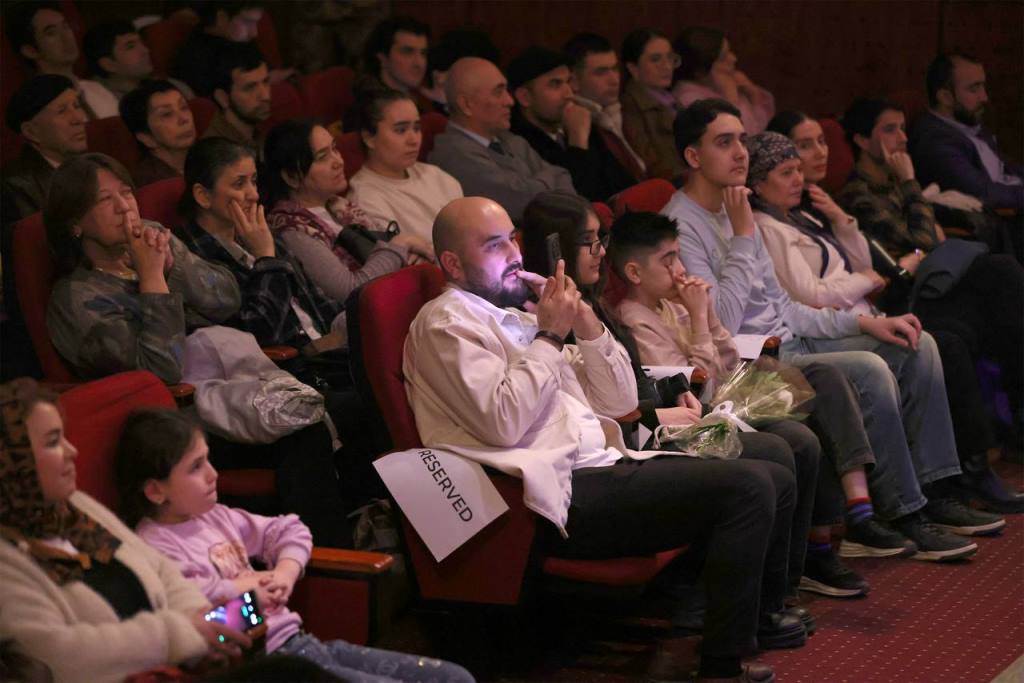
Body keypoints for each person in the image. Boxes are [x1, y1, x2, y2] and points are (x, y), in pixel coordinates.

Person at [407, 196, 806, 683]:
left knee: (773, 469)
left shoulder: (516, 317)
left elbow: (619, 402)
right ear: (452, 263)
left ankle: (723, 619)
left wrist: (583, 321)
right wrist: (550, 338)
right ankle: (721, 665)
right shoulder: (446, 325)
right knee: (749, 487)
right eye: (493, 245)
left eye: (512, 239)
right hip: (551, 494)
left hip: (602, 459)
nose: (513, 254)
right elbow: (502, 421)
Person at [666, 98, 1002, 560]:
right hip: (749, 361)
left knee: (916, 343)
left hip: (792, 338)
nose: (741, 152)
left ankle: (936, 489)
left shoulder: (734, 208)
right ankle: (901, 512)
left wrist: (866, 321)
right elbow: (719, 317)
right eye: (724, 142)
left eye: (742, 140)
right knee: (869, 369)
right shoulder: (683, 224)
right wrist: (743, 236)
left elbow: (787, 308)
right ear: (693, 156)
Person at [520, 192, 843, 605]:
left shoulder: (596, 306)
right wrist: (661, 414)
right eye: (588, 242)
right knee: (780, 449)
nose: (600, 251)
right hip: (636, 438)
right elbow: (595, 407)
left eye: (601, 239)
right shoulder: (552, 318)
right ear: (557, 249)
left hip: (661, 416)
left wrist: (700, 325)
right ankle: (759, 597)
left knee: (797, 435)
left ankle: (783, 587)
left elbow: (643, 380)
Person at [607, 210, 893, 597]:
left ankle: (854, 508)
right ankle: (815, 550)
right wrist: (698, 319)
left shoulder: (672, 305)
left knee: (823, 378)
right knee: (800, 433)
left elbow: (727, 361)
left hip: (730, 397)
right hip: (702, 418)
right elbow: (695, 387)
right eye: (668, 260)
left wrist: (706, 315)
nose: (679, 269)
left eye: (678, 255)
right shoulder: (634, 320)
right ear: (634, 272)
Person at [753, 123, 1024, 515]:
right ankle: (930, 491)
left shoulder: (804, 216)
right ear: (758, 183)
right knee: (935, 343)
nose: (799, 177)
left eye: (799, 168)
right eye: (787, 172)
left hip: (863, 311)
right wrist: (865, 280)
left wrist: (841, 221)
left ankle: (945, 479)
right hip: (831, 325)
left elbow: (859, 263)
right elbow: (812, 295)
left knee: (972, 306)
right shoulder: (768, 228)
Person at [117, 407, 476, 682]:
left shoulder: (215, 516)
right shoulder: (155, 548)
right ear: (155, 490)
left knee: (455, 677)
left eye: (208, 459)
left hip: (301, 644)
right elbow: (194, 626)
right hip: (258, 665)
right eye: (196, 467)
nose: (213, 474)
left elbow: (288, 529)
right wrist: (248, 590)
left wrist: (286, 572)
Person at [0, 378, 253, 683]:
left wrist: (200, 629)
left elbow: (161, 569)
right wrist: (181, 634)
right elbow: (56, 658)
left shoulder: (72, 507)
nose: (72, 451)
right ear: (13, 462)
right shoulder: (6, 558)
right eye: (53, 442)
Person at [44, 153, 240, 384]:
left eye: (126, 193)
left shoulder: (152, 237)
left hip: (228, 371)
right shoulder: (76, 298)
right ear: (75, 223)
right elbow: (163, 371)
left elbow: (229, 300)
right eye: (105, 199)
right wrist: (152, 278)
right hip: (174, 401)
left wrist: (172, 269)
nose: (123, 207)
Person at [177, 137, 345, 353]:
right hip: (287, 365)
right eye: (239, 184)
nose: (254, 195)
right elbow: (261, 334)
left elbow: (318, 301)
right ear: (203, 196)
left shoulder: (256, 230)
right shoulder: (194, 258)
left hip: (328, 352)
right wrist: (266, 257)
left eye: (254, 181)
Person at [263, 118, 431, 302]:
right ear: (291, 177)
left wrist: (411, 257)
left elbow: (384, 253)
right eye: (322, 157)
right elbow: (349, 291)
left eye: (335, 149)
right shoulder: (292, 230)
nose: (338, 162)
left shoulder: (339, 206)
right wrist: (400, 245)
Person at [427, 57, 575, 223]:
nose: (509, 101)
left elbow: (563, 176)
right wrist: (548, 179)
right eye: (498, 92)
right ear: (466, 104)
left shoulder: (511, 140)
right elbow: (520, 202)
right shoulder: (452, 154)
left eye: (507, 91)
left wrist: (533, 185)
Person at [508, 46, 636, 201]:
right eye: (555, 84)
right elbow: (569, 201)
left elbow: (624, 184)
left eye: (568, 82)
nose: (568, 93)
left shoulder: (577, 125)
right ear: (525, 97)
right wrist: (577, 142)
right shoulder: (517, 145)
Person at [909, 53, 1023, 213]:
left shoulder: (967, 121)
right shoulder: (934, 141)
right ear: (945, 97)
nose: (984, 97)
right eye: (974, 89)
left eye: (983, 86)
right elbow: (984, 194)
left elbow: (1005, 169)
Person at [348, 88, 462, 246]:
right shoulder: (366, 199)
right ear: (369, 138)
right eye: (401, 130)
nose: (414, 140)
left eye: (416, 128)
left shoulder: (434, 175)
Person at [3, 1, 116, 120]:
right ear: (30, 51)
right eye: (51, 33)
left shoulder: (96, 89)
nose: (67, 37)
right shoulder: (40, 108)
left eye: (66, 26)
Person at [2, 75, 88, 224]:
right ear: (31, 132)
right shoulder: (16, 186)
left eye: (77, 106)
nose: (79, 119)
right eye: (62, 111)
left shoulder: (95, 163)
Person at [563, 32, 646, 184]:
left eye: (615, 69)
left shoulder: (620, 111)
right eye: (601, 72)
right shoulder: (575, 124)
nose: (614, 80)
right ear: (574, 81)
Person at [171, 1, 291, 98]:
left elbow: (268, 72)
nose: (254, 33)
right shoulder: (194, 57)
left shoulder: (242, 41)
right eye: (247, 22)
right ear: (222, 18)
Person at [672, 27, 775, 135]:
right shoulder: (689, 99)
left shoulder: (725, 85)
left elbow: (763, 130)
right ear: (700, 71)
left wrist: (753, 95)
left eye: (729, 51)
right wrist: (731, 100)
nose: (733, 59)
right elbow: (742, 137)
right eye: (723, 58)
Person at [82, 21, 193, 118]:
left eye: (142, 43)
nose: (145, 50)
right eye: (130, 47)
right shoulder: (100, 102)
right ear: (108, 64)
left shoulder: (172, 85)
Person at [619, 28, 686, 185]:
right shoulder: (630, 107)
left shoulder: (673, 101)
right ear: (633, 68)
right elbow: (651, 163)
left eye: (670, 58)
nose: (667, 66)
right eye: (655, 60)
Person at [120, 79, 197, 186]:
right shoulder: (150, 185)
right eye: (167, 114)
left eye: (184, 107)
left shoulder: (209, 158)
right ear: (146, 138)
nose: (184, 119)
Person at [203, 42, 271, 150]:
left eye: (266, 81)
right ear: (222, 98)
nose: (266, 96)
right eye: (250, 88)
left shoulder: (260, 134)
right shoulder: (216, 153)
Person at [358, 16, 434, 113]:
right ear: (382, 58)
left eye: (423, 53)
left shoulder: (424, 102)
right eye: (407, 52)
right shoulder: (368, 109)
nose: (419, 63)